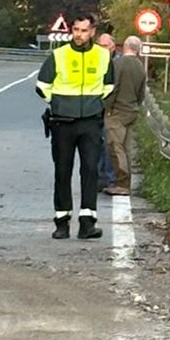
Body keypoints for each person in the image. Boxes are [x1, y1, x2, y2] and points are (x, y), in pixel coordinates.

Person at [36, 14, 113, 240]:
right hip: (63, 122)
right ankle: (61, 222)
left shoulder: (103, 56)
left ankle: (87, 223)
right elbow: (42, 85)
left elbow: (109, 85)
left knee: (90, 170)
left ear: (93, 32)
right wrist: (59, 104)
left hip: (90, 121)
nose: (79, 35)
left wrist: (94, 104)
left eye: (84, 30)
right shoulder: (58, 55)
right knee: (62, 172)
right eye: (76, 30)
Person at [103, 36, 148, 195]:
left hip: (117, 111)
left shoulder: (118, 64)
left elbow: (112, 88)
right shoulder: (140, 67)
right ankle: (126, 183)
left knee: (115, 147)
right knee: (126, 148)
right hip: (132, 110)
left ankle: (121, 183)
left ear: (125, 47)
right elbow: (142, 92)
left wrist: (106, 108)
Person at [96, 33, 119, 190]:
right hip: (95, 110)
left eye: (105, 46)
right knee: (96, 145)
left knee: (109, 145)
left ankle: (110, 178)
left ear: (112, 46)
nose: (102, 49)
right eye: (100, 46)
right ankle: (98, 178)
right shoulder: (95, 61)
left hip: (113, 110)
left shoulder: (119, 63)